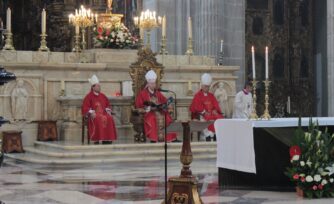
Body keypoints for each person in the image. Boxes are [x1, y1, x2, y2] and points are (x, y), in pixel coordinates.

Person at [135, 70, 177, 143]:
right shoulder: (143, 93)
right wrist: (148, 108)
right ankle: (154, 139)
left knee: (167, 118)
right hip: (149, 112)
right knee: (152, 119)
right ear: (148, 84)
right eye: (151, 84)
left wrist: (167, 105)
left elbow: (164, 101)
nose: (153, 85)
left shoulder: (157, 93)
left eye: (154, 83)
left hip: (159, 111)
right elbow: (139, 105)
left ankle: (169, 138)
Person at [82, 75, 117, 144]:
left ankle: (107, 139)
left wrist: (108, 110)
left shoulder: (103, 96)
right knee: (98, 118)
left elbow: (107, 105)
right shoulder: (88, 97)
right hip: (94, 115)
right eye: (97, 86)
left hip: (103, 114)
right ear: (93, 87)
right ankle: (97, 139)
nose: (99, 87)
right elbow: (85, 107)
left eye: (99, 86)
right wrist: (91, 112)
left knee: (109, 118)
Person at [190, 73, 223, 141]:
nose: (207, 88)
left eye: (208, 87)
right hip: (203, 115)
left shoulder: (211, 95)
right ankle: (208, 135)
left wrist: (215, 110)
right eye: (205, 86)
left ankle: (216, 135)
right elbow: (196, 107)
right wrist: (203, 112)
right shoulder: (198, 95)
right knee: (207, 118)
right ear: (201, 86)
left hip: (211, 113)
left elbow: (215, 105)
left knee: (219, 118)